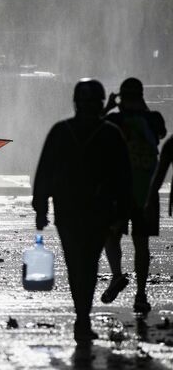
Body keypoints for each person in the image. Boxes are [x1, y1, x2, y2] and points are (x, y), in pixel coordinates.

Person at [33, 79, 132, 345]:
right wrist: (122, 214)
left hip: (73, 212)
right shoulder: (110, 133)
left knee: (78, 264)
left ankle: (82, 315)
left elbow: (44, 173)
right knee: (86, 264)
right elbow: (124, 179)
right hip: (94, 212)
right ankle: (82, 316)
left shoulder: (61, 131)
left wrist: (41, 208)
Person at [100, 78, 166, 313]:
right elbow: (160, 133)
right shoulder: (152, 118)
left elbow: (92, 127)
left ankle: (118, 276)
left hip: (120, 191)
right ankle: (140, 294)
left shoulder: (115, 119)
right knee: (141, 244)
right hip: (145, 190)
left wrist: (109, 107)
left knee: (111, 234)